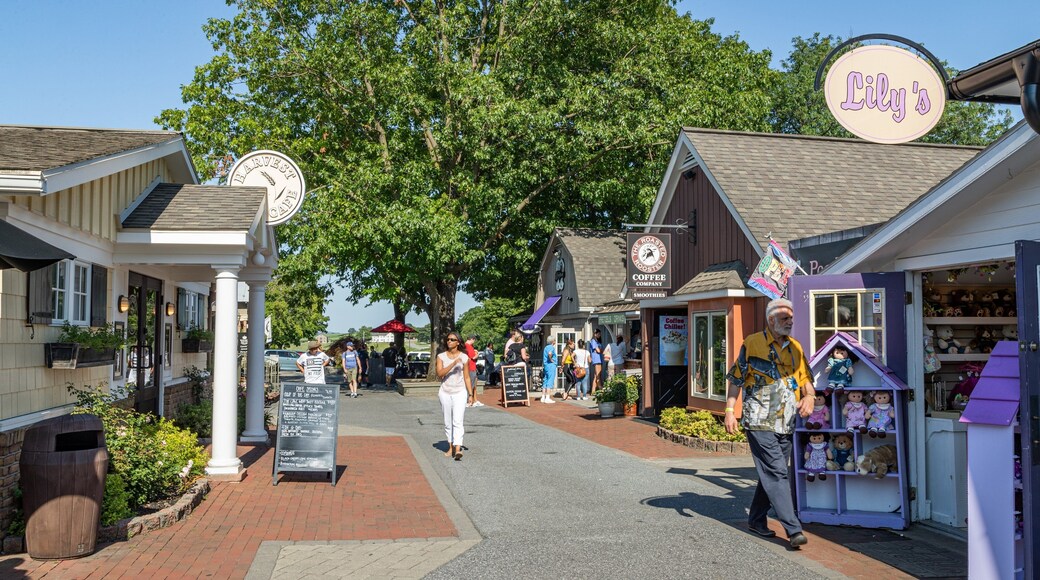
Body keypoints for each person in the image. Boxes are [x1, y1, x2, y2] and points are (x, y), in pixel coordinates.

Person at [724, 298, 815, 548]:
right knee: (776, 471)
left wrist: (810, 395)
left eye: (791, 317)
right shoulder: (752, 343)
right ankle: (793, 529)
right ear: (771, 319)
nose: (791, 321)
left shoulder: (795, 347)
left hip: (786, 422)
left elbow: (805, 377)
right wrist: (730, 409)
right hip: (758, 420)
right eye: (785, 317)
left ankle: (756, 519)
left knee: (771, 473)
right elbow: (736, 378)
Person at [437, 331, 472, 461]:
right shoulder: (441, 356)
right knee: (447, 421)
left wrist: (471, 394)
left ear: (458, 342)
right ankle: (450, 446)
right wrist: (453, 364)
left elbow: (467, 377)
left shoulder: (464, 357)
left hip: (460, 392)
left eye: (452, 339)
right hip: (445, 392)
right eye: (448, 339)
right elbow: (440, 374)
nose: (449, 341)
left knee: (458, 420)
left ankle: (458, 448)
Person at [463, 336, 484, 408]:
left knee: (472, 384)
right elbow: (473, 357)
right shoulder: (468, 346)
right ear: (472, 339)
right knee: (470, 385)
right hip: (471, 367)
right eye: (474, 340)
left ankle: (472, 400)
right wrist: (477, 354)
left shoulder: (467, 346)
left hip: (471, 367)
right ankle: (468, 401)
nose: (474, 342)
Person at [541, 336, 557, 403]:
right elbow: (550, 354)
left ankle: (543, 397)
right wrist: (551, 360)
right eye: (555, 340)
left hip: (546, 366)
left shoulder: (546, 347)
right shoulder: (551, 347)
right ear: (553, 341)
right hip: (551, 366)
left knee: (545, 381)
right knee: (550, 381)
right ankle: (547, 397)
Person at [589, 329, 604, 395]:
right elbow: (598, 350)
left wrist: (600, 350)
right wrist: (600, 351)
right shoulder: (593, 341)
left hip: (600, 359)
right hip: (596, 359)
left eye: (600, 334)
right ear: (595, 334)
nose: (599, 335)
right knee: (598, 375)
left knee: (596, 375)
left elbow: (601, 350)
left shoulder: (598, 342)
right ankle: (601, 389)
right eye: (598, 334)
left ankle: (593, 390)